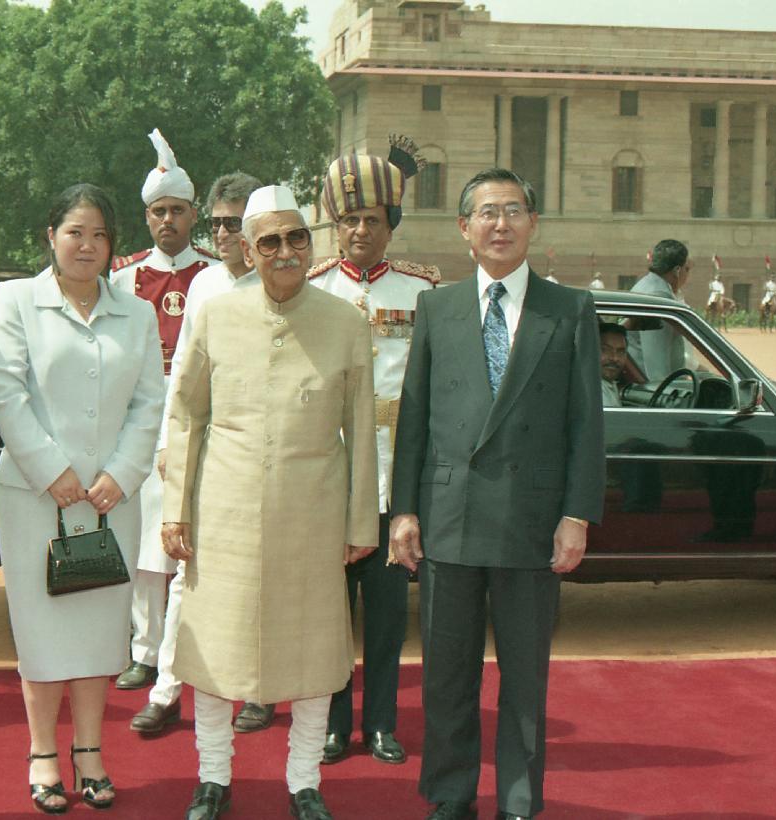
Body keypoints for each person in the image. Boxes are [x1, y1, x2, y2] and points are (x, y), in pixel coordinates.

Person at [390, 168, 604, 820]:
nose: (500, 224)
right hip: (449, 516)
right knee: (448, 674)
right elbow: (415, 417)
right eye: (487, 212)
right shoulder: (437, 308)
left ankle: (517, 800)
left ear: (533, 223)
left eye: (513, 210)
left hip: (530, 520)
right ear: (465, 228)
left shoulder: (569, 310)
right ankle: (451, 794)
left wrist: (576, 514)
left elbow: (585, 422)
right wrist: (404, 509)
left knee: (524, 676)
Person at [163, 185, 379, 820]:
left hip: (313, 516)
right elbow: (186, 415)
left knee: (314, 653)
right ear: (249, 250)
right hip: (223, 515)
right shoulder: (215, 315)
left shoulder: (345, 322)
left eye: (297, 238)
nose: (286, 251)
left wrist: (360, 522)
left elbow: (361, 429)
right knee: (214, 651)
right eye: (270, 241)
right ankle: (213, 777)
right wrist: (176, 509)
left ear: (310, 243)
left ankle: (304, 782)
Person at [0, 183, 164, 814]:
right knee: (42, 628)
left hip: (112, 498)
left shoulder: (137, 313)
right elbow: (5, 391)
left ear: (113, 245)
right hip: (36, 499)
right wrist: (50, 468)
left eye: (99, 235)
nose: (87, 246)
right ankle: (41, 753)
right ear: (50, 237)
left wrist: (124, 472)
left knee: (99, 629)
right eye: (74, 233)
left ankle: (89, 751)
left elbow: (149, 403)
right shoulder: (14, 300)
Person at [308, 140, 441, 768]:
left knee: (388, 616)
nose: (361, 231)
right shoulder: (311, 289)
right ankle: (334, 726)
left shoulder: (424, 290)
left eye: (373, 220)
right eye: (350, 220)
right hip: (328, 477)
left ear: (391, 227)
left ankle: (382, 723)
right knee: (330, 616)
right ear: (336, 227)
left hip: (392, 477)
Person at [129, 172, 270, 738]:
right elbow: (184, 374)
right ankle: (166, 689)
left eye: (236, 224)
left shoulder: (282, 282)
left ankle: (258, 690)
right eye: (218, 224)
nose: (226, 234)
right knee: (186, 570)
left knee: (258, 573)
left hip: (260, 452)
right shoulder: (206, 285)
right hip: (204, 447)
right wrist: (170, 442)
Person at [111, 128, 218, 691]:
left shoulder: (216, 274)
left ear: (194, 214)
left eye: (178, 210)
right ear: (147, 217)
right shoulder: (122, 277)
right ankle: (145, 650)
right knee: (147, 542)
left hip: (203, 418)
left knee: (197, 538)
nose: (169, 220)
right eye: (159, 211)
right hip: (143, 420)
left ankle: (194, 651)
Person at [624, 239, 690, 382]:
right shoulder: (659, 299)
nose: (687, 274)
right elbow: (656, 366)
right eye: (687, 269)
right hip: (651, 387)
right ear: (677, 270)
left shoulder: (645, 285)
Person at [599, 322, 628, 408]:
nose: (615, 358)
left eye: (620, 352)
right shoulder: (591, 390)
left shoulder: (607, 383)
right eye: (605, 350)